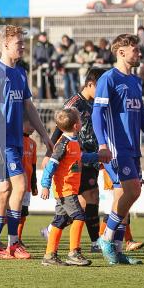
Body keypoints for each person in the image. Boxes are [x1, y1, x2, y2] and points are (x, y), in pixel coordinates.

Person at [92, 34, 144, 265]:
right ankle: (106, 237)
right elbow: (97, 113)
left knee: (120, 197)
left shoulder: (135, 81)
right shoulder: (108, 78)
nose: (139, 53)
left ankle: (115, 250)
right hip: (116, 147)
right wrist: (103, 144)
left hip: (133, 147)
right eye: (134, 49)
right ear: (121, 52)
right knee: (133, 191)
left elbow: (141, 115)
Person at [0, 25, 53, 259]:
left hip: (15, 141)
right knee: (17, 187)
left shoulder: (20, 73)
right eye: (18, 43)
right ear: (4, 45)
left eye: (23, 42)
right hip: (0, 141)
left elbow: (28, 106)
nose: (22, 46)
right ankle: (12, 243)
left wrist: (43, 134)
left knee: (4, 190)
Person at [41, 67, 106, 252]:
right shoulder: (74, 102)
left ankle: (52, 229)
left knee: (88, 199)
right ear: (90, 84)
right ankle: (93, 243)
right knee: (88, 197)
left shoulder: (97, 102)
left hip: (89, 156)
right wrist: (49, 153)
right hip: (75, 158)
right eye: (100, 87)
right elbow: (59, 127)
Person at [39, 108, 96, 267]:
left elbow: (81, 157)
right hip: (65, 190)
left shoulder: (74, 142)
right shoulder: (62, 144)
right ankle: (74, 253)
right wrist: (45, 185)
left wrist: (98, 157)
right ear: (77, 126)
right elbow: (51, 164)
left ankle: (49, 256)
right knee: (79, 217)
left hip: (68, 189)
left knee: (60, 220)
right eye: (80, 119)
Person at [32, 32, 57, 99]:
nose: (44, 38)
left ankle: (54, 99)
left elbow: (55, 54)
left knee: (52, 84)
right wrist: (36, 63)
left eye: (45, 36)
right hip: (40, 68)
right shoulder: (36, 46)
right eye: (43, 36)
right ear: (39, 37)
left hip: (50, 67)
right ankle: (42, 100)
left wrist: (52, 61)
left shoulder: (50, 46)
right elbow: (33, 57)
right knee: (41, 85)